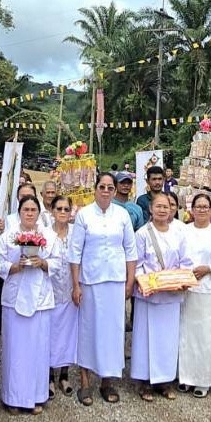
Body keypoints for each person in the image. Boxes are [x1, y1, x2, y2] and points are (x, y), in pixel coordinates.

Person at [68, 172, 138, 405]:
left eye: (110, 187)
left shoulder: (123, 215)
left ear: (115, 190)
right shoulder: (84, 215)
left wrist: (130, 281)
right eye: (102, 186)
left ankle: (108, 381)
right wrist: (75, 284)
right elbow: (75, 251)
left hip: (115, 281)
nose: (106, 191)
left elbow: (130, 250)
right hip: (90, 280)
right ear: (95, 188)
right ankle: (85, 380)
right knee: (89, 329)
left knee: (113, 331)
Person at [131, 192, 192, 401]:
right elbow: (136, 263)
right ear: (151, 208)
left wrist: (178, 280)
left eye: (166, 207)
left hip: (171, 294)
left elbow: (186, 262)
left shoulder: (179, 234)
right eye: (158, 206)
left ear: (172, 209)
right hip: (149, 294)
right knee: (146, 337)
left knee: (167, 338)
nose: (162, 210)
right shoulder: (141, 234)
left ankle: (164, 380)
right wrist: (148, 282)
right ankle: (145, 381)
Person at [0, 195, 55, 414]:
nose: (29, 213)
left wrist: (44, 263)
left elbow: (59, 262)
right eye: (25, 209)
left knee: (38, 349)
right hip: (15, 297)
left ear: (38, 212)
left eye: (33, 209)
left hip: (40, 298)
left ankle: (36, 397)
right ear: (19, 211)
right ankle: (13, 398)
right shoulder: (8, 236)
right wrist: (13, 267)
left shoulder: (48, 236)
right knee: (15, 349)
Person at [178, 193, 211, 397]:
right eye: (197, 206)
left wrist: (209, 269)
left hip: (208, 290)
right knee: (186, 335)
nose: (201, 209)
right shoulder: (183, 231)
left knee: (206, 335)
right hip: (186, 289)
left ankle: (204, 379)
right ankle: (186, 377)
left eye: (205, 206)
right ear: (191, 209)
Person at [46, 195, 78, 396]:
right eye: (59, 209)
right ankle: (48, 375)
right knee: (50, 333)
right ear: (52, 211)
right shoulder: (45, 235)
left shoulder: (76, 233)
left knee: (69, 333)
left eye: (67, 209)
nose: (63, 213)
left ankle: (64, 374)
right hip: (50, 291)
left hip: (71, 290)